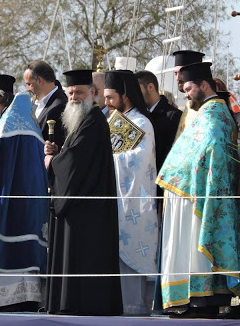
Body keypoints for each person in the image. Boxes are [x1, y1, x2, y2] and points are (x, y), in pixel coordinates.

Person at [156, 61, 240, 317]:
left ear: (204, 85)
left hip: (198, 197)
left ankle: (200, 297)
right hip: (190, 195)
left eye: (188, 88)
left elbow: (213, 154)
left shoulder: (215, 116)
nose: (185, 94)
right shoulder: (208, 113)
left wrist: (190, 182)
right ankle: (194, 297)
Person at [44, 69, 122, 316]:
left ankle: (79, 304)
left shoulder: (94, 120)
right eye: (70, 93)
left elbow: (75, 162)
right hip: (82, 205)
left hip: (89, 210)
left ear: (92, 93)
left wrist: (52, 162)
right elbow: (73, 155)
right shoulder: (83, 121)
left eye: (79, 92)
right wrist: (59, 152)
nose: (74, 97)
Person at [0, 92, 48, 311]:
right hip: (33, 203)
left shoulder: (5, 127)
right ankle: (30, 297)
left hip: (13, 202)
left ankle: (8, 300)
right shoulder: (36, 132)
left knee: (10, 237)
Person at [104, 70, 158, 315]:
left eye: (110, 97)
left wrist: (105, 160)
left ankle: (136, 310)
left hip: (135, 204)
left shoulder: (141, 123)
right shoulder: (113, 120)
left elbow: (139, 161)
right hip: (115, 202)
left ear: (124, 96)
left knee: (133, 257)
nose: (106, 103)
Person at [136, 70, 181, 169]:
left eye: (137, 90)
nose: (135, 96)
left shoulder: (173, 116)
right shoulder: (138, 116)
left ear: (150, 87)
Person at [23, 60, 67, 149]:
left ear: (39, 80)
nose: (27, 89)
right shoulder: (34, 105)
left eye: (29, 84)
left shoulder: (60, 106)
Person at [172, 50, 204, 138]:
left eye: (181, 72)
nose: (177, 78)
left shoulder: (206, 105)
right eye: (175, 73)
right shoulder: (188, 103)